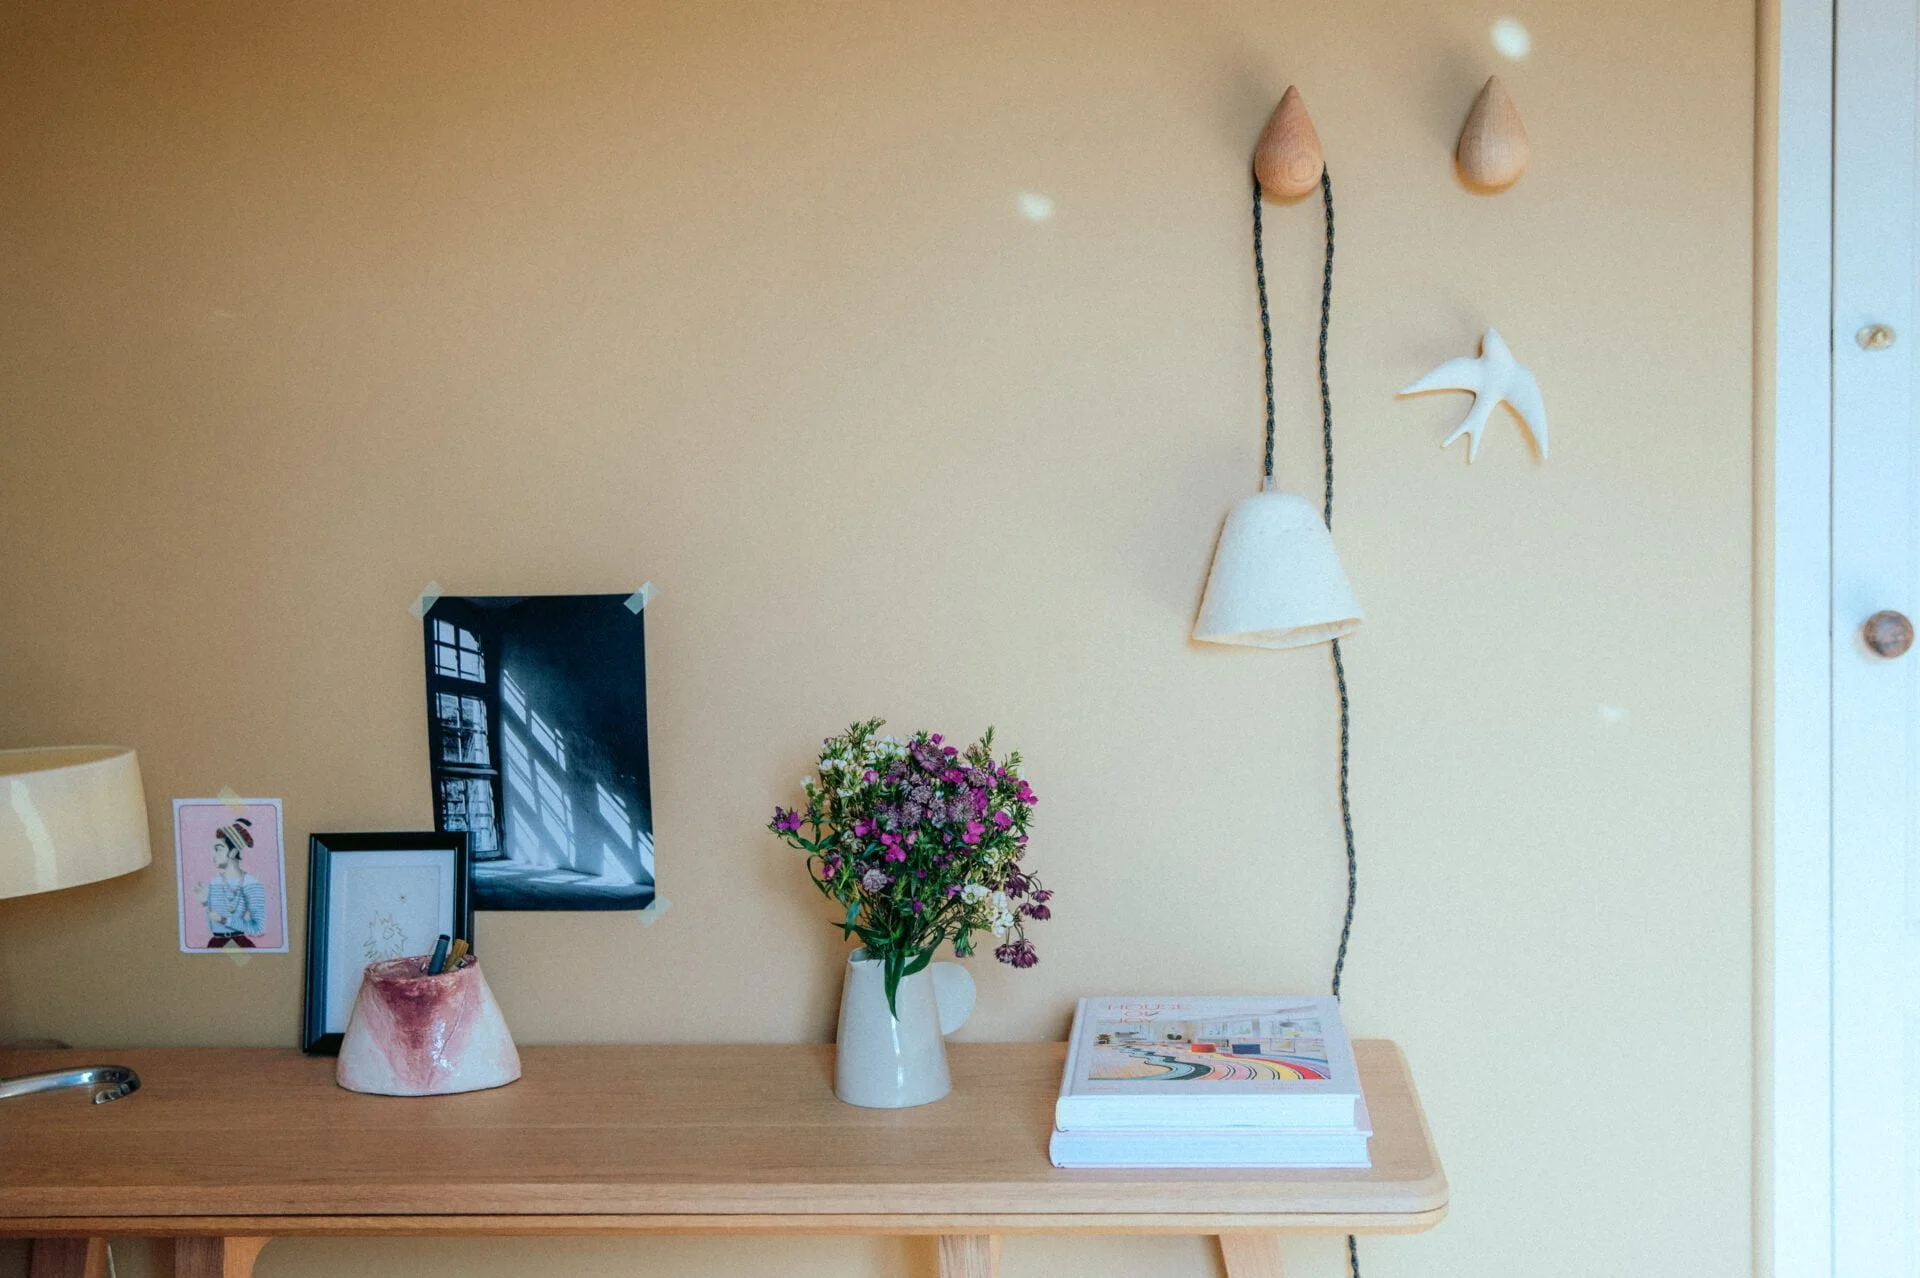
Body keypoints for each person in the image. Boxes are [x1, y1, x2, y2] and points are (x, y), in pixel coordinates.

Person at [193, 818, 267, 947]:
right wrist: (205, 902)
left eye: (219, 849)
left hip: (239, 945)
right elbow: (215, 917)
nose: (214, 854)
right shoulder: (215, 882)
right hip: (215, 944)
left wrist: (224, 920)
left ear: (233, 853)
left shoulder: (251, 883)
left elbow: (258, 928)